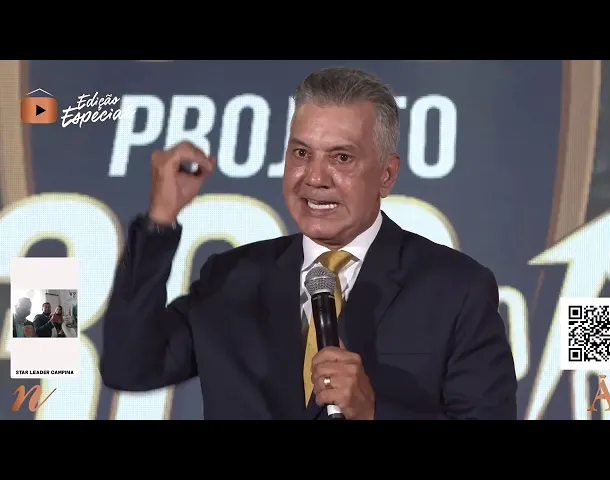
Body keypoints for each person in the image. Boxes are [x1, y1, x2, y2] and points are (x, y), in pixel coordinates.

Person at [101, 67, 517, 420]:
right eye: (301, 153)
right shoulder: (230, 279)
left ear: (386, 175)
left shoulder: (455, 289)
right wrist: (159, 221)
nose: (314, 178)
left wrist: (373, 413)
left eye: (341, 158)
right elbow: (128, 367)